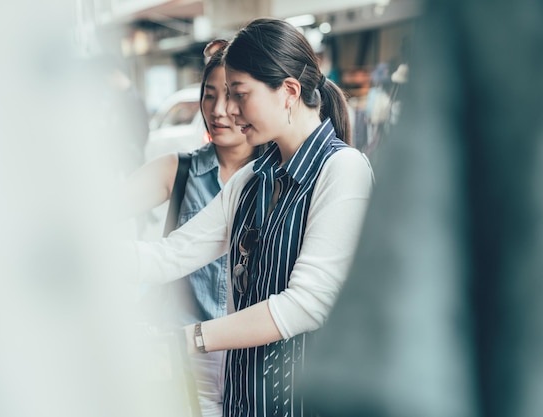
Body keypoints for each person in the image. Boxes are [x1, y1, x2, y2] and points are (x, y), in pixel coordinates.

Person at [128, 18, 374, 417]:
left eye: (239, 94)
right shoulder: (251, 180)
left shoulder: (344, 170)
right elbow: (171, 255)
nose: (228, 110)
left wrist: (187, 339)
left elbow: (307, 304)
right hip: (243, 404)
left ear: (289, 92)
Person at [125, 39, 261, 417]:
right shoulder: (178, 170)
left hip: (254, 368)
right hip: (184, 364)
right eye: (209, 95)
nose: (218, 111)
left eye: (233, 96)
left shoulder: (277, 178)